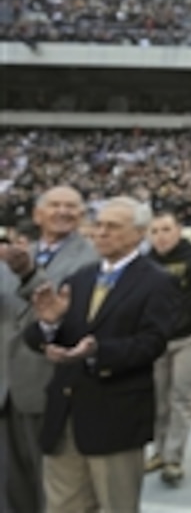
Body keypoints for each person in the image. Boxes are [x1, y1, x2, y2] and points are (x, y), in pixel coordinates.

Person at [22, 196, 176, 513]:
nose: (101, 233)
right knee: (62, 506)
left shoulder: (157, 281)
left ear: (138, 233)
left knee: (116, 505)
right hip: (65, 414)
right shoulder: (79, 278)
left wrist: (98, 351)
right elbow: (37, 338)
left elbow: (153, 342)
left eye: (113, 227)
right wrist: (49, 326)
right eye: (98, 225)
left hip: (115, 417)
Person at [1, 187, 98, 513]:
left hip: (53, 383)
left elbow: (60, 308)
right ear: (36, 215)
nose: (63, 211)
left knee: (57, 490)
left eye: (71, 206)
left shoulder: (92, 257)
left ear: (82, 215)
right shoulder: (14, 252)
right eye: (54, 205)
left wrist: (28, 272)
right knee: (12, 485)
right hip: (7, 386)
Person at [145, 211, 191, 485]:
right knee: (157, 400)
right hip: (156, 339)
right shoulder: (146, 262)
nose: (160, 236)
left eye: (166, 229)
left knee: (181, 398)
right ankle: (159, 451)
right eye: (155, 231)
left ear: (179, 230)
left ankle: (173, 458)